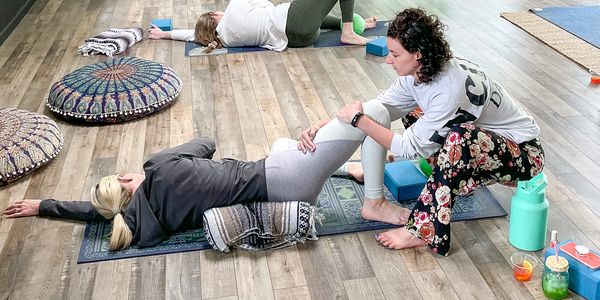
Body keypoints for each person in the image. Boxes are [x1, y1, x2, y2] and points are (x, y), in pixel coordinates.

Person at [298, 8, 545, 256]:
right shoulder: (422, 70)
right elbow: (381, 107)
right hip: (484, 147)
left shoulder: (449, 89)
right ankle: (385, 180)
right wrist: (329, 122)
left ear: (418, 54)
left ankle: (423, 230)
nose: (388, 60)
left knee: (458, 137)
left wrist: (358, 119)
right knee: (411, 112)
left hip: (523, 156)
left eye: (395, 54)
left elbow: (407, 147)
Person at [3, 104, 396, 250]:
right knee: (371, 113)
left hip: (279, 188)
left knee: (281, 142)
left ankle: (351, 169)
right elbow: (206, 142)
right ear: (125, 183)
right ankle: (374, 202)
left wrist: (43, 207)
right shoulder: (158, 167)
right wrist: (150, 167)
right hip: (286, 177)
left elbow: (95, 213)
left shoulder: (143, 222)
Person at [148, 0, 377, 53]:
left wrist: (165, 34)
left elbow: (191, 35)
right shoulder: (234, 10)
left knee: (307, 12)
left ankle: (346, 24)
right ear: (215, 16)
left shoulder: (221, 39)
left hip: (301, 38)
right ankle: (348, 32)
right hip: (294, 20)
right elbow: (267, 3)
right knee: (283, 8)